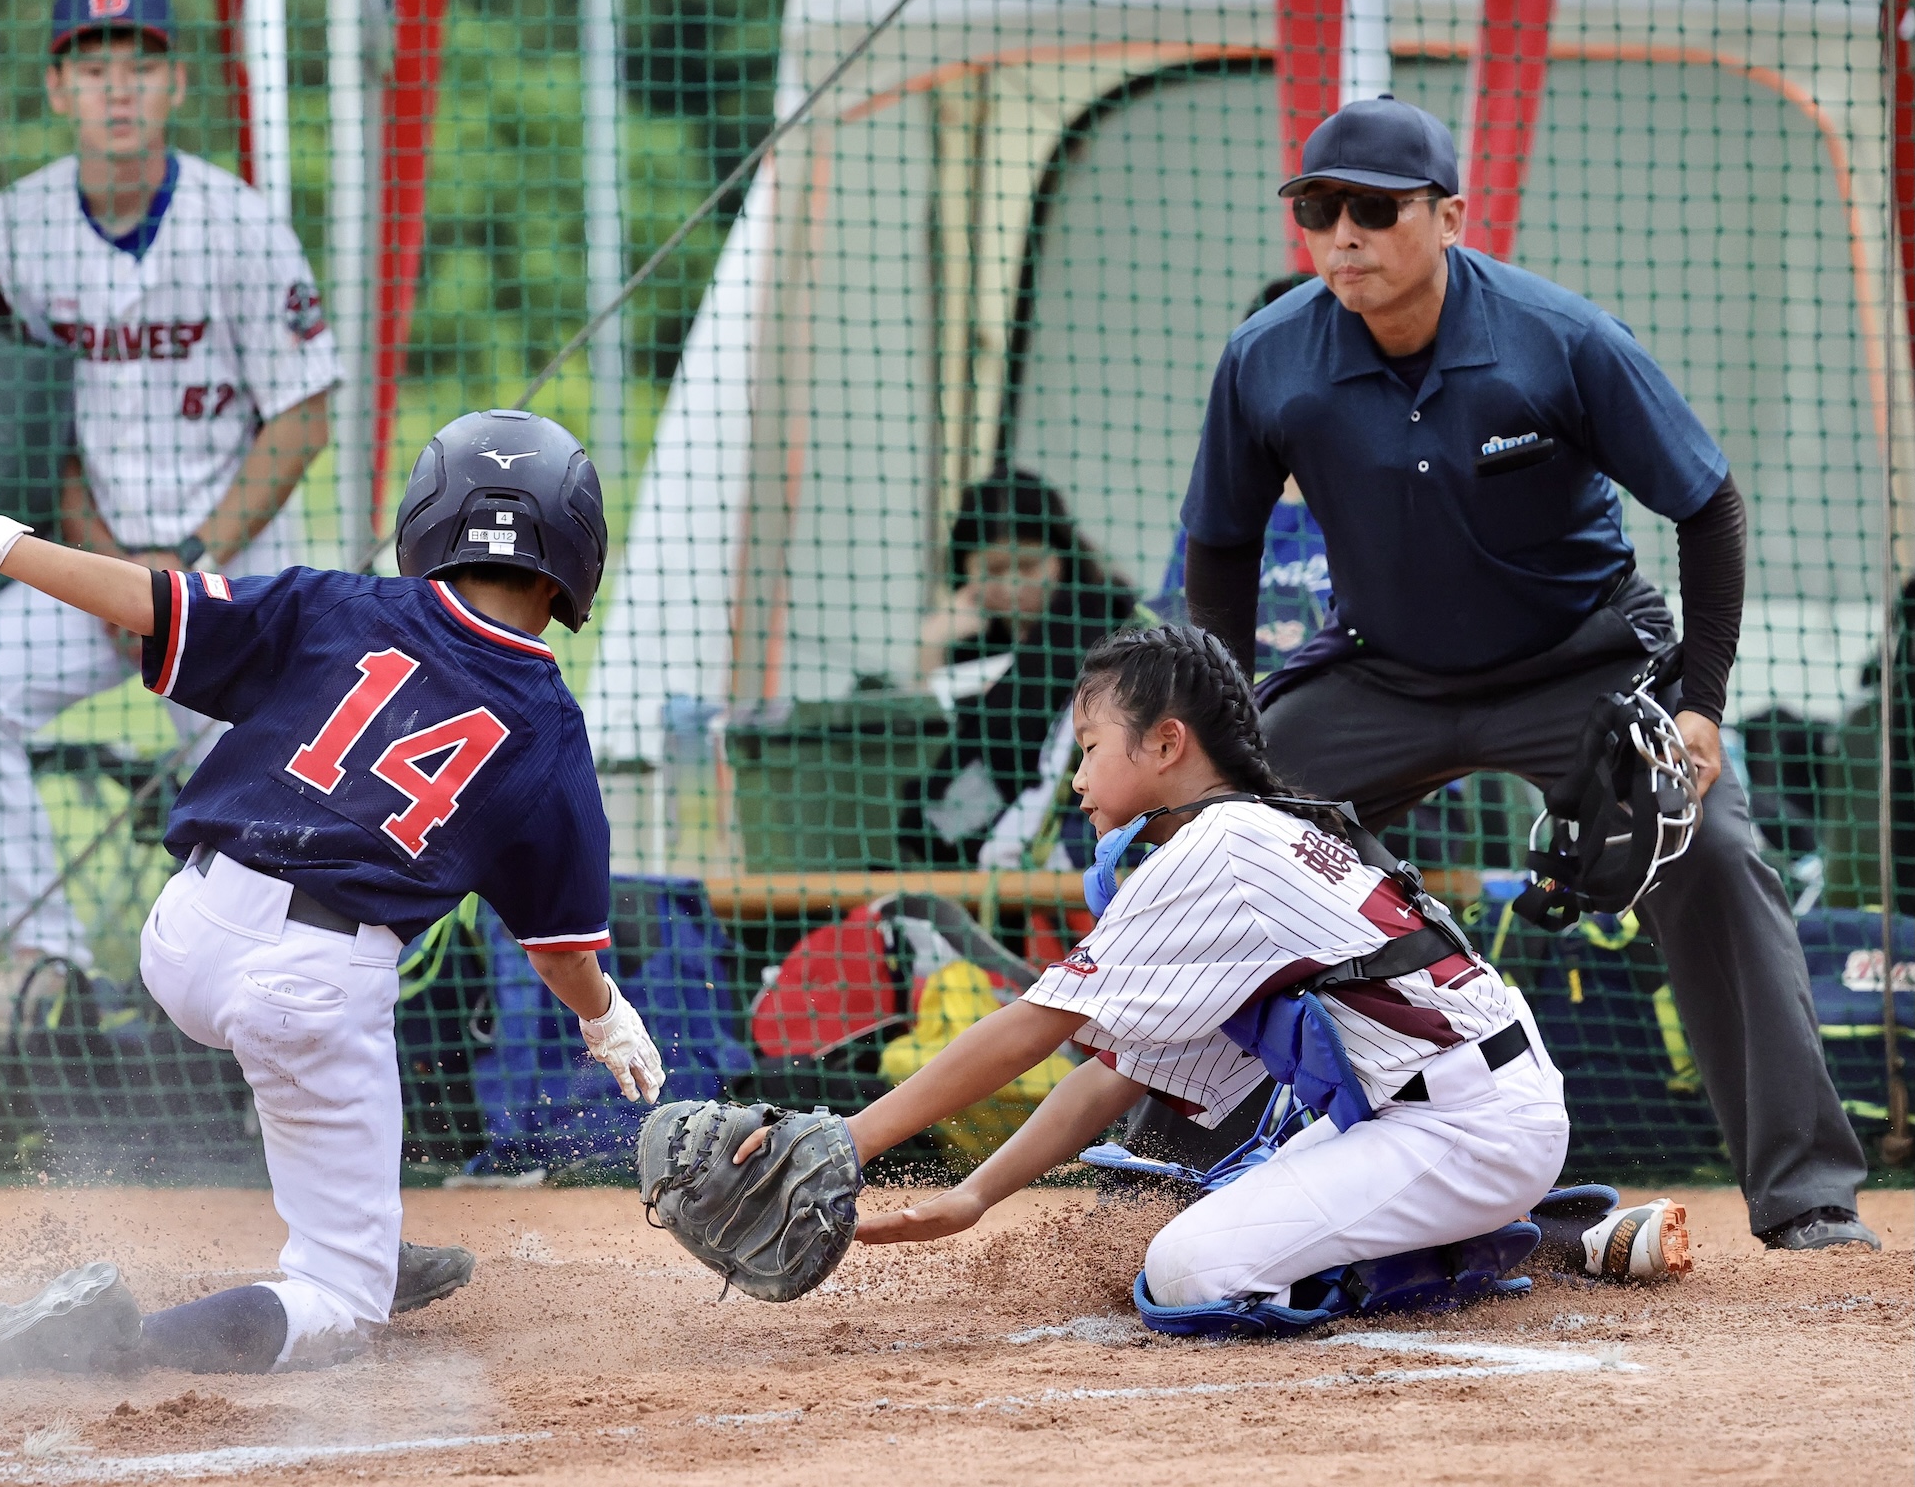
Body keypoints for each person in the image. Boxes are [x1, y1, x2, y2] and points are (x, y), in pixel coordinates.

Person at [1181, 94, 1876, 1250]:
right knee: (1222, 854)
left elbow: (1706, 507)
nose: (1342, 234)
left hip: (1582, 664)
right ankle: (1177, 1171)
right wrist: (1223, 746)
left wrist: (1700, 706)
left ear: (1448, 217)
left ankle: (1806, 1196)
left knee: (1708, 852)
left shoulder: (1557, 338)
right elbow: (1219, 550)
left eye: (1373, 209)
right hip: (1385, 675)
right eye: (1317, 208)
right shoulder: (1266, 357)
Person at [0, 407, 665, 1374]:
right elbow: (561, 950)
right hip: (308, 986)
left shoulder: (343, 605)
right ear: (569, 563)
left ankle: (362, 1227)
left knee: (310, 1052)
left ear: (429, 522)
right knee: (339, 1303)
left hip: (187, 927)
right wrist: (605, 1017)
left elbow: (152, 600)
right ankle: (115, 1347)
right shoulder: (547, 727)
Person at [802, 624, 1688, 1329]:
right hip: (1445, 1110)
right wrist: (974, 1194)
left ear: (1166, 743)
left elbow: (1035, 1022)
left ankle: (1508, 1241)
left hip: (1463, 1124)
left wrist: (851, 1140)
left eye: (1090, 746)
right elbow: (1113, 1073)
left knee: (1187, 1274)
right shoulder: (1247, 829)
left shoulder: (1220, 845)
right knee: (1224, 1211)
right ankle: (1552, 1230)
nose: (1076, 780)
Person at [0, 0, 338, 1026]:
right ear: (58, 88)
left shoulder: (240, 224)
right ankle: (46, 966)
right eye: (94, 68)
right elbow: (35, 421)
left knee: (250, 777)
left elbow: (301, 419)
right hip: (97, 562)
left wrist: (186, 568)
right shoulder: (11, 230)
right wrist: (108, 567)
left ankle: (224, 990)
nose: (118, 89)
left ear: (176, 85)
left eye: (140, 68)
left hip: (235, 575)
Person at [906, 469, 1141, 869]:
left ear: (1062, 556)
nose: (1014, 586)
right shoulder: (969, 645)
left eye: (1029, 566)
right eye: (994, 570)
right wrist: (931, 647)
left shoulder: (1107, 625)